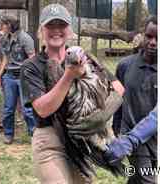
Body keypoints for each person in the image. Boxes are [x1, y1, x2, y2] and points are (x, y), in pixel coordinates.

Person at [20, 4, 124, 183]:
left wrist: (101, 115)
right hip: (50, 142)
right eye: (50, 26)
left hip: (82, 140)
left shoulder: (87, 59)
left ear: (69, 31)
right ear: (41, 31)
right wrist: (69, 76)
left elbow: (119, 89)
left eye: (61, 25)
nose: (56, 31)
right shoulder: (32, 66)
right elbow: (43, 109)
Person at [113, 16, 158, 184]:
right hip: (134, 140)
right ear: (142, 35)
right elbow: (118, 101)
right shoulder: (125, 66)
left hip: (157, 138)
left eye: (158, 39)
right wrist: (118, 134)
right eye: (149, 36)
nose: (153, 42)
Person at [0, 15, 36, 144]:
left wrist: (29, 77)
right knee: (8, 108)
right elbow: (6, 59)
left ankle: (34, 135)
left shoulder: (25, 38)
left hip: (23, 77)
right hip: (9, 77)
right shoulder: (6, 38)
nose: (1, 27)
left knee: (27, 109)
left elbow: (32, 58)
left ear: (10, 25)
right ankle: (8, 135)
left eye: (3, 24)